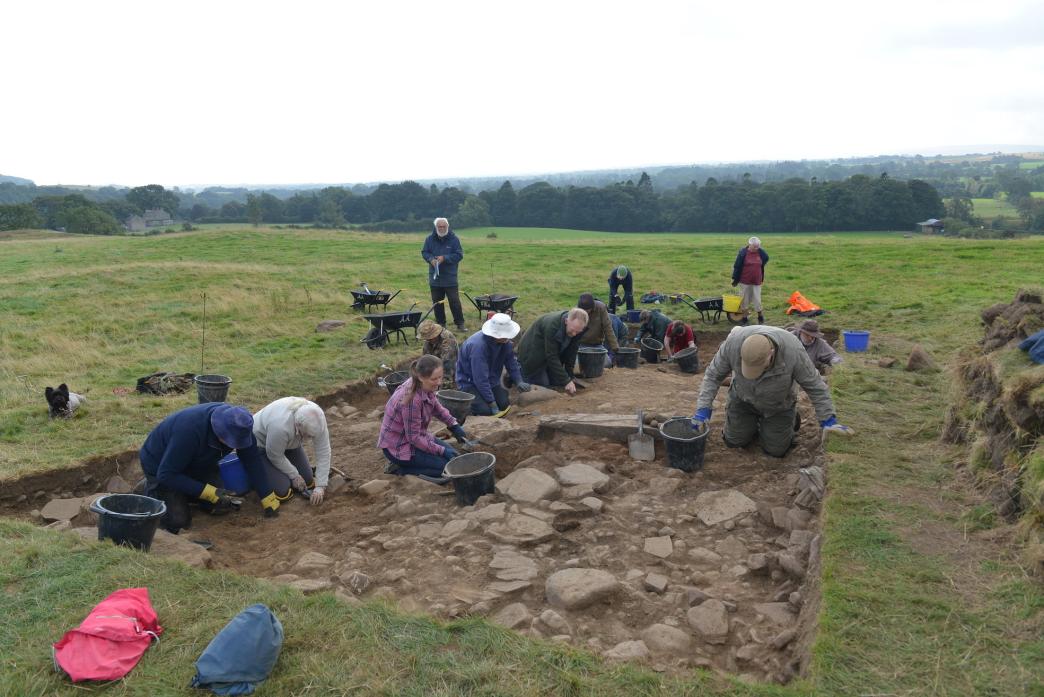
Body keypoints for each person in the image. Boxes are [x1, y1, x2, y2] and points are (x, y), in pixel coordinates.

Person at [690, 325, 853, 457]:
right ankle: (749, 424)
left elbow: (815, 386)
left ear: (772, 353)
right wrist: (703, 410)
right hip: (743, 400)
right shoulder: (732, 344)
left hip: (778, 406)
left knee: (776, 451)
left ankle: (790, 420)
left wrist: (828, 421)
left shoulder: (793, 351)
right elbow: (712, 375)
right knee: (734, 441)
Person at [138, 403, 281, 534]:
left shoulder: (241, 426)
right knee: (178, 522)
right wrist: (208, 492)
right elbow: (166, 474)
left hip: (200, 462)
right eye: (229, 440)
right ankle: (151, 487)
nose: (232, 444)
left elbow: (252, 460)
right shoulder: (189, 431)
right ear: (218, 429)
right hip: (161, 466)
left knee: (221, 506)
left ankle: (185, 492)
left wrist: (267, 496)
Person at [378, 355, 470, 483]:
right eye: (434, 379)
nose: (439, 382)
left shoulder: (424, 385)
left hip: (416, 437)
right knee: (446, 470)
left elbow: (437, 408)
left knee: (453, 457)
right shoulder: (411, 400)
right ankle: (400, 469)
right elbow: (414, 439)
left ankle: (412, 464)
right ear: (421, 377)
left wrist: (453, 425)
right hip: (399, 447)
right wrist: (442, 451)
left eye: (440, 377)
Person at [253, 397, 331, 505]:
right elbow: (274, 455)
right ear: (298, 425)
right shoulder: (280, 425)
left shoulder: (317, 417)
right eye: (307, 435)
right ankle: (256, 472)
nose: (309, 438)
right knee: (282, 491)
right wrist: (294, 475)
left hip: (289, 444)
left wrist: (321, 486)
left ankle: (279, 471)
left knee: (308, 481)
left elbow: (324, 450)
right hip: (260, 445)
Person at [456, 313, 530, 416]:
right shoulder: (478, 347)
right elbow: (480, 379)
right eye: (504, 335)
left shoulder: (505, 342)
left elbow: (511, 363)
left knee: (504, 404)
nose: (507, 337)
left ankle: (487, 400)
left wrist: (519, 380)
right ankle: (465, 408)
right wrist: (491, 402)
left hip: (491, 379)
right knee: (485, 411)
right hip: (470, 382)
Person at [517, 308, 589, 395]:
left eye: (577, 332)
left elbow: (572, 351)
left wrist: (570, 375)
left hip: (548, 350)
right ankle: (516, 373)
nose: (574, 334)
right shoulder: (552, 326)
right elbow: (551, 356)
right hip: (532, 352)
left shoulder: (578, 329)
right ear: (566, 321)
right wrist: (566, 381)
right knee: (544, 385)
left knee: (557, 382)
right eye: (572, 330)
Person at [421, 217, 466, 332]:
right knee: (437, 302)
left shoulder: (454, 239)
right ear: (436, 227)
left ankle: (460, 323)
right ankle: (441, 324)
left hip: (450, 277)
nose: (441, 228)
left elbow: (459, 255)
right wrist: (431, 259)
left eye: (444, 226)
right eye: (439, 226)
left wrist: (444, 258)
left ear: (447, 227)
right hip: (435, 278)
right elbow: (425, 252)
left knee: (454, 301)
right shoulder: (429, 239)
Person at [731, 236, 769, 325]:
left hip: (757, 281)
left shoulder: (760, 253)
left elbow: (766, 258)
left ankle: (760, 316)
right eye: (755, 246)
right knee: (744, 300)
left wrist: (759, 249)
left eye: (758, 246)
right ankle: (744, 318)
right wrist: (735, 278)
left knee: (757, 300)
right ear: (749, 245)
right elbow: (737, 266)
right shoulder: (743, 253)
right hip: (744, 281)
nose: (757, 248)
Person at [577, 293, 619, 366]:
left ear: (592, 307)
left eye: (587, 310)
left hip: (597, 345)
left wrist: (615, 347)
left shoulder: (601, 308)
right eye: (583, 310)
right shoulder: (577, 311)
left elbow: (608, 328)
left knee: (607, 364)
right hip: (580, 345)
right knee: (578, 365)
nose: (586, 312)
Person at [418, 320, 459, 389]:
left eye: (429, 338)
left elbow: (448, 369)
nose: (427, 340)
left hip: (449, 371)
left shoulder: (448, 341)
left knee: (446, 389)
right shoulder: (429, 342)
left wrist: (440, 390)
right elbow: (425, 360)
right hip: (436, 370)